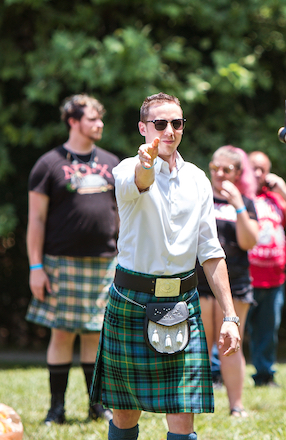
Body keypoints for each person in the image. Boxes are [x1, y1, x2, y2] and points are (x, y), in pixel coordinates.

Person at [90, 93, 242, 440]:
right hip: (132, 300)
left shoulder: (198, 180)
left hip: (182, 305)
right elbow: (142, 181)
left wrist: (230, 316)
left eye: (177, 123)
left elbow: (210, 250)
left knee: (182, 417)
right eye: (160, 124)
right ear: (143, 127)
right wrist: (147, 163)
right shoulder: (128, 168)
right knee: (126, 412)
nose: (169, 131)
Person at [25, 94, 119, 425]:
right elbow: (35, 220)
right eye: (92, 118)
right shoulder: (48, 164)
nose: (99, 124)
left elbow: (120, 213)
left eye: (100, 118)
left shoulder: (111, 162)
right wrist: (36, 267)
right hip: (60, 261)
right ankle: (56, 409)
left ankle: (96, 406)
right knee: (62, 333)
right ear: (73, 121)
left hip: (105, 260)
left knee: (95, 333)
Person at [196, 145, 259, 418]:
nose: (219, 174)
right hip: (199, 280)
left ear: (237, 173)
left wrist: (239, 205)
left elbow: (249, 241)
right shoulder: (199, 197)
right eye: (214, 168)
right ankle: (193, 404)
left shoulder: (246, 202)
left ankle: (236, 405)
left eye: (226, 169)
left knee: (230, 346)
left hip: (235, 283)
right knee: (198, 344)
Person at [245, 151, 286, 387]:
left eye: (263, 168)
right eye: (254, 167)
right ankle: (218, 373)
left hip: (273, 280)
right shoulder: (240, 196)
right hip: (245, 278)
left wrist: (281, 187)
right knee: (233, 328)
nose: (258, 173)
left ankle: (265, 374)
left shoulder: (274, 198)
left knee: (267, 332)